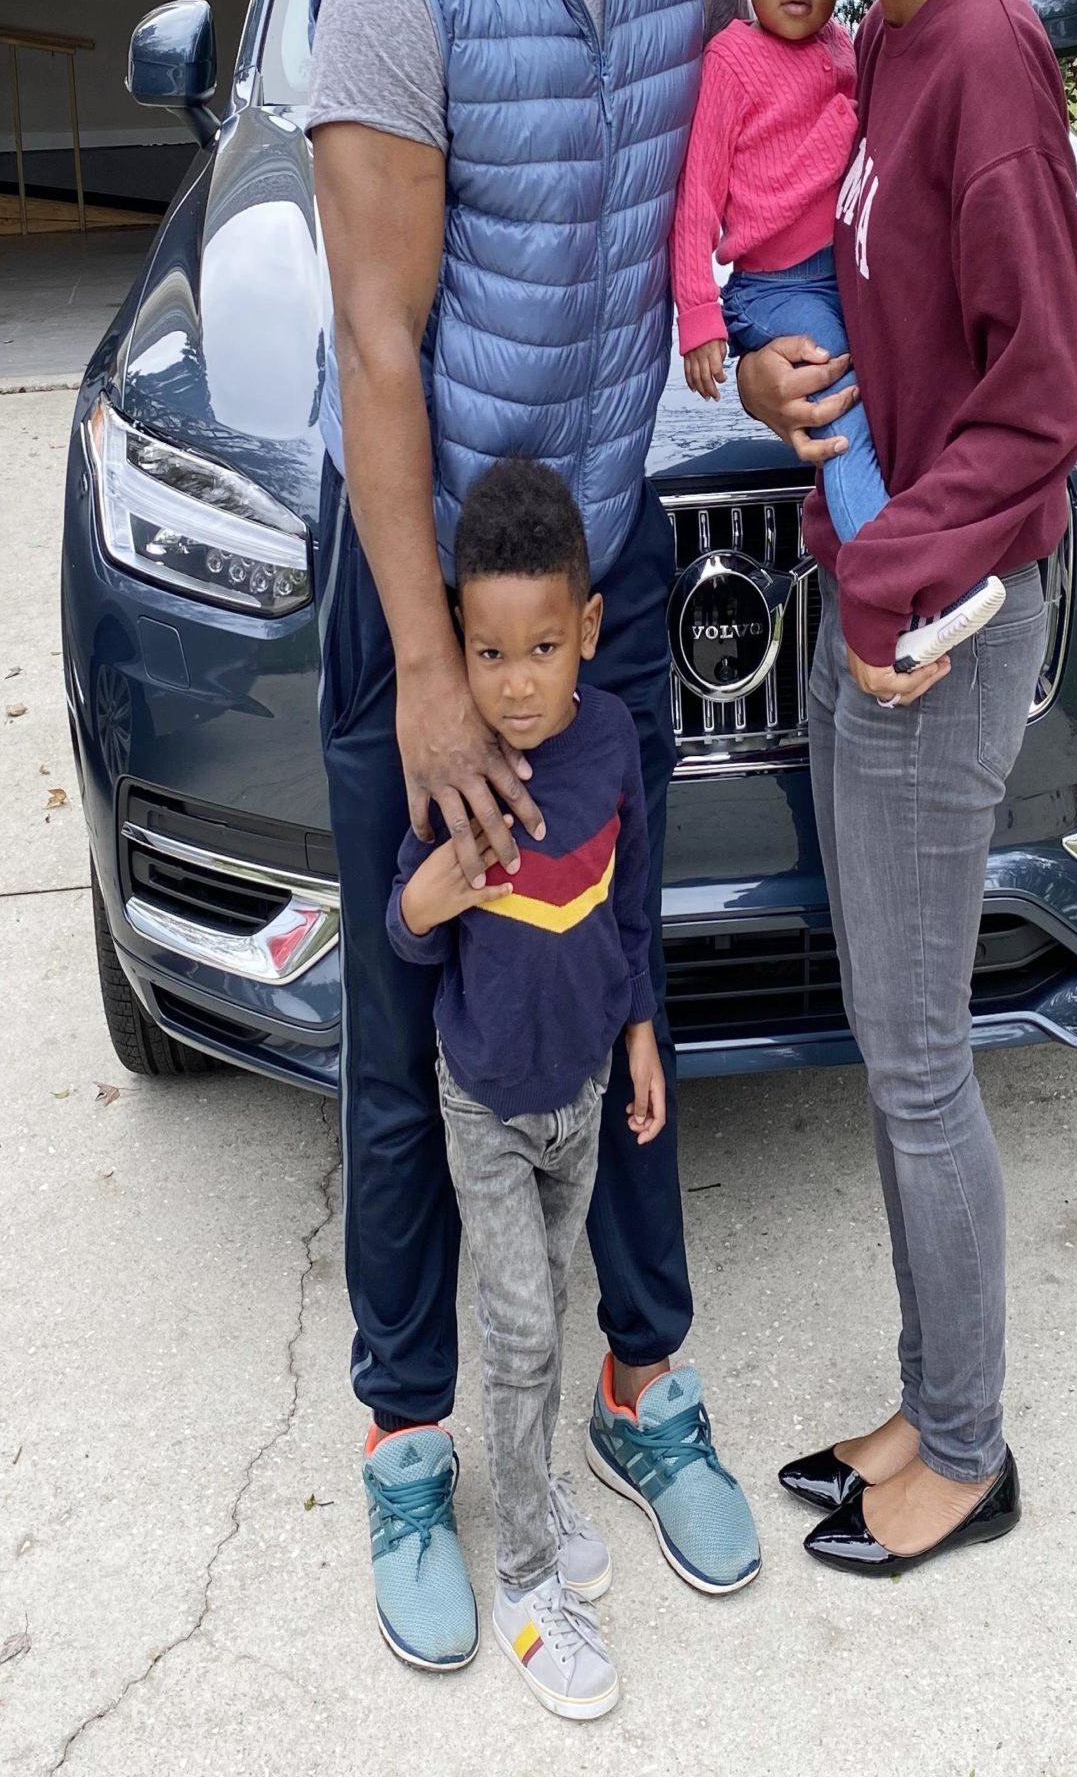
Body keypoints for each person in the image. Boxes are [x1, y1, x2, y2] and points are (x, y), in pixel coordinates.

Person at [304, 0, 761, 1676]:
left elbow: (772, 145)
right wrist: (414, 667)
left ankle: (636, 1388)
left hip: (607, 580)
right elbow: (373, 340)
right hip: (425, 607)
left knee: (609, 980)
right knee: (419, 1027)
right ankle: (409, 1439)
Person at [737, 0, 1077, 1574]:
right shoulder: (872, 47)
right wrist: (794, 375)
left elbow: (1040, 399)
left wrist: (881, 586)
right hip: (870, 592)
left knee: (919, 1059)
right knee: (890, 1044)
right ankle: (919, 1392)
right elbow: (906, 337)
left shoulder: (978, 63)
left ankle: (963, 1449)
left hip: (932, 631)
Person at [386, 458, 664, 1721]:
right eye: (487, 652)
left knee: (553, 1298)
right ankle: (523, 1579)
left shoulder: (607, 742)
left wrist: (643, 1030)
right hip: (486, 1104)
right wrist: (427, 893)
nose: (513, 681)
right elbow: (404, 922)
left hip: (583, 1088)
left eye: (541, 647)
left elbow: (634, 906)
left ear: (586, 632)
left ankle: (541, 1481)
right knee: (515, 1327)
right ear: (459, 642)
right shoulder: (460, 772)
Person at [670, 0, 1005, 673]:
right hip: (777, 293)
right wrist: (699, 319)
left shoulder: (849, 54)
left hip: (840, 275)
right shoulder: (730, 67)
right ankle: (899, 588)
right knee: (842, 422)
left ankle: (919, 545)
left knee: (898, 402)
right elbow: (695, 204)